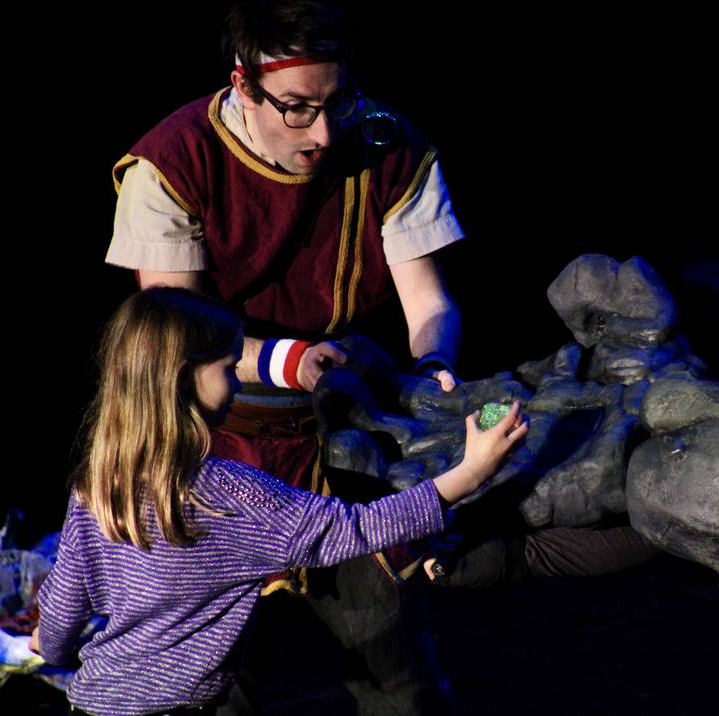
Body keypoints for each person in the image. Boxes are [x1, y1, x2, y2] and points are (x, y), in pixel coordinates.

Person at [105, 2, 466, 713]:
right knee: (215, 685)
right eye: (297, 108)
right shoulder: (172, 163)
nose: (323, 131)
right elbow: (175, 337)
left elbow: (429, 304)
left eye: (337, 101)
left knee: (399, 676)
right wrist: (284, 359)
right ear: (243, 84)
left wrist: (433, 372)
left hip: (339, 435)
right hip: (209, 449)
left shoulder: (388, 145)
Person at [32, 287, 528, 716]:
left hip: (94, 703)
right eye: (228, 368)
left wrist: (48, 643)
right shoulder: (228, 495)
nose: (236, 383)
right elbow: (352, 528)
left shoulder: (97, 486)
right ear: (185, 377)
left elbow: (61, 607)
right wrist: (469, 474)